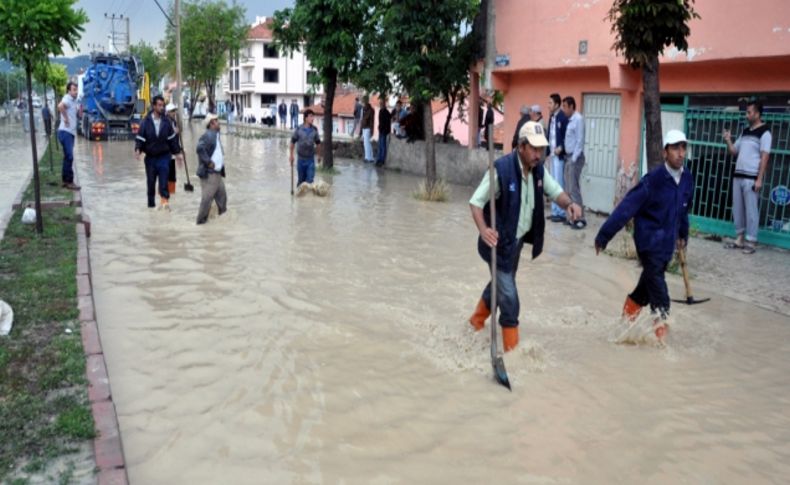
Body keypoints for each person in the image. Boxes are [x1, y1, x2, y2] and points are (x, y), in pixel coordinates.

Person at [468, 121, 582, 352]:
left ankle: (476, 321)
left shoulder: (538, 170)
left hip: (516, 244)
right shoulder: (501, 170)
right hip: (497, 245)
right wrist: (483, 229)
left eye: (541, 149)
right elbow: (476, 202)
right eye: (534, 148)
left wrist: (570, 204)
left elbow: (555, 191)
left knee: (500, 286)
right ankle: (512, 352)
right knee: (509, 298)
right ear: (521, 146)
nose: (538, 154)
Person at [594, 130, 694, 343]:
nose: (680, 153)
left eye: (683, 147)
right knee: (661, 296)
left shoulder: (687, 179)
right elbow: (627, 207)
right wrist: (604, 236)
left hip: (667, 246)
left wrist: (683, 236)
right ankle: (662, 347)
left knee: (644, 291)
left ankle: (622, 330)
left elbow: (683, 211)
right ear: (665, 151)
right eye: (675, 148)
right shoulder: (653, 181)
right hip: (649, 244)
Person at [722, 100, 772, 254]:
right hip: (738, 175)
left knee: (751, 210)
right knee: (738, 209)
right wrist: (728, 140)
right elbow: (734, 152)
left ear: (757, 114)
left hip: (751, 177)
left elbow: (765, 157)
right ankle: (740, 238)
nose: (747, 115)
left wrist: (759, 179)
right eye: (746, 112)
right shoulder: (744, 132)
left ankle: (751, 241)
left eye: (749, 112)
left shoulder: (765, 132)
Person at [134, 95, 183, 210]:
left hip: (164, 157)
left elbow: (172, 140)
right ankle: (151, 208)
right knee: (151, 185)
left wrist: (178, 154)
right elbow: (140, 138)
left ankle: (165, 204)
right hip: (150, 158)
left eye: (163, 105)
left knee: (163, 182)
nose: (162, 108)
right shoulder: (145, 122)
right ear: (154, 106)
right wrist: (138, 150)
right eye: (159, 105)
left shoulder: (167, 122)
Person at [195, 114, 227, 224]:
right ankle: (200, 224)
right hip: (210, 175)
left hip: (217, 174)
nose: (219, 123)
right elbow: (199, 148)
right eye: (217, 121)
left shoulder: (216, 135)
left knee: (222, 199)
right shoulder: (208, 135)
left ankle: (221, 222)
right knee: (206, 201)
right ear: (212, 124)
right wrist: (208, 162)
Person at [560, 96, 586, 229]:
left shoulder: (578, 119)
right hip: (567, 157)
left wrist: (573, 160)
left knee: (574, 189)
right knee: (568, 189)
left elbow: (580, 141)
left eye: (565, 106)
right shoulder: (569, 120)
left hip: (575, 158)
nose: (563, 109)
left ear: (571, 106)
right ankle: (571, 217)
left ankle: (580, 219)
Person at [546, 93, 568, 223]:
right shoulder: (552, 117)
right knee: (553, 183)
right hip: (553, 155)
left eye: (550, 103)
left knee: (559, 183)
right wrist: (548, 151)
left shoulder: (562, 118)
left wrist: (562, 147)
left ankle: (561, 212)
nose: (548, 105)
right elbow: (550, 135)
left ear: (557, 105)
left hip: (560, 156)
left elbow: (567, 137)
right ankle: (555, 211)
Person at [57, 82, 82, 190]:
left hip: (69, 132)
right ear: (68, 91)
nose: (76, 92)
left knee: (67, 157)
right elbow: (60, 106)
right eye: (73, 90)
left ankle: (64, 181)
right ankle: (70, 181)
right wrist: (66, 118)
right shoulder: (67, 98)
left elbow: (78, 114)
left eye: (76, 89)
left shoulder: (73, 101)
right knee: (70, 156)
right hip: (65, 132)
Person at [289, 109, 322, 187]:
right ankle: (299, 198)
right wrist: (291, 155)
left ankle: (308, 198)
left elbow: (318, 143)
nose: (313, 118)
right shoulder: (299, 129)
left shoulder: (314, 130)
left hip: (310, 160)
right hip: (300, 160)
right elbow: (292, 142)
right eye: (311, 116)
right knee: (301, 181)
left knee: (309, 181)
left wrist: (319, 156)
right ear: (306, 118)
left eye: (313, 116)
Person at [165, 103, 181, 196]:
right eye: (172, 111)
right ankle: (163, 196)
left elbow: (175, 140)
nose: (174, 113)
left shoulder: (174, 122)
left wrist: (179, 149)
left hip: (172, 154)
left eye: (174, 111)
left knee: (172, 176)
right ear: (167, 112)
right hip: (165, 153)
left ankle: (172, 194)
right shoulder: (165, 122)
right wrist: (174, 132)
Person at [376, 98, 391, 167]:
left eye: (382, 103)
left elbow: (388, 123)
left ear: (384, 104)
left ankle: (382, 160)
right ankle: (378, 159)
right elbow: (380, 121)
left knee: (383, 146)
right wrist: (379, 128)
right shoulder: (380, 111)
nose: (381, 105)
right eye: (380, 103)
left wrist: (385, 130)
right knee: (380, 146)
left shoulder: (386, 112)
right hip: (380, 130)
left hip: (384, 131)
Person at [360, 95, 375, 163]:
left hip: (368, 128)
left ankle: (368, 158)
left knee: (367, 143)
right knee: (366, 143)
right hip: (364, 127)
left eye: (363, 101)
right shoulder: (363, 109)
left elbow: (372, 121)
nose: (362, 103)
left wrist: (372, 131)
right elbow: (361, 120)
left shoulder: (371, 110)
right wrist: (361, 131)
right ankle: (370, 157)